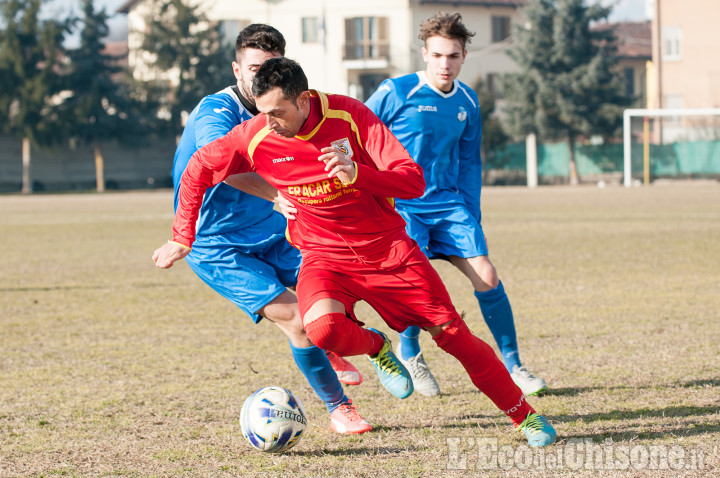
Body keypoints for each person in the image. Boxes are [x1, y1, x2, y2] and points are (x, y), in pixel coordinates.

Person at [153, 57, 557, 447]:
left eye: (277, 112)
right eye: (262, 113)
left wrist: (358, 173)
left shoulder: (351, 116)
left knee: (454, 337)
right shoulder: (258, 133)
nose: (269, 123)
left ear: (303, 98)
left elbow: (412, 181)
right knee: (320, 328)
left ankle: (526, 415)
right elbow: (198, 169)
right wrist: (182, 235)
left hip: (390, 252)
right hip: (323, 257)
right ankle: (376, 346)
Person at [157, 24, 370, 435]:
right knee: (297, 318)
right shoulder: (214, 113)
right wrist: (275, 194)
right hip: (217, 243)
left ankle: (331, 346)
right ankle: (339, 408)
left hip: (274, 231)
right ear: (237, 69)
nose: (260, 78)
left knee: (339, 293)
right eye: (253, 68)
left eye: (269, 68)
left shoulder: (283, 109)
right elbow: (219, 167)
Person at [365, 12, 548, 398]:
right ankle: (411, 352)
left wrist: (471, 213)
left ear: (465, 55)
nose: (444, 64)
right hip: (403, 206)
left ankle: (513, 365)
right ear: (424, 54)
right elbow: (358, 135)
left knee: (487, 274)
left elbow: (470, 161)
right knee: (416, 287)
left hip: (449, 205)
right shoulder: (395, 92)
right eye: (437, 55)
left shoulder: (468, 100)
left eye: (452, 56)